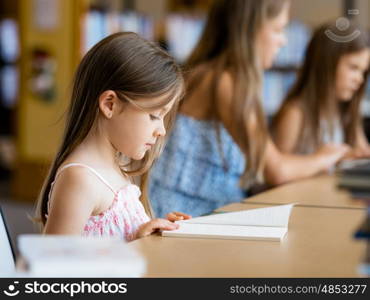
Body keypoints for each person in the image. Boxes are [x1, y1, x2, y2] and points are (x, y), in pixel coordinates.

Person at [149, 0, 349, 218]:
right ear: (251, 30)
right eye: (278, 29)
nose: (283, 41)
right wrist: (326, 156)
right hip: (186, 217)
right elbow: (277, 171)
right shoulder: (225, 83)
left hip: (196, 213)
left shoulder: (212, 74)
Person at [35, 32, 190, 241]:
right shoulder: (80, 180)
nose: (161, 130)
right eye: (154, 115)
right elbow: (51, 268)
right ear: (110, 104)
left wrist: (144, 235)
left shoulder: (116, 166)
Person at [273, 21, 370, 157]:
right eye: (353, 68)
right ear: (326, 65)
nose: (359, 79)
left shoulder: (346, 111)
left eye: (363, 71)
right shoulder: (296, 114)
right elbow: (280, 169)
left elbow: (362, 151)